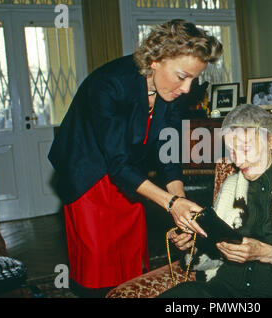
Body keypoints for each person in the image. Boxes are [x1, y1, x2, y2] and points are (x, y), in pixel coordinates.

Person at [48, 19, 222, 296]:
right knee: (98, 264)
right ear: (155, 60)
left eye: (194, 78)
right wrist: (171, 204)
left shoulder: (173, 92)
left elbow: (169, 151)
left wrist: (180, 202)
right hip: (88, 172)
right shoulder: (110, 84)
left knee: (130, 259)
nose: (187, 89)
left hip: (130, 174)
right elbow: (116, 163)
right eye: (182, 76)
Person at [160, 104, 272, 298]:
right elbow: (216, 250)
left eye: (245, 149)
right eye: (231, 152)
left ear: (270, 141)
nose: (237, 161)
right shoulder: (230, 185)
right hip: (222, 289)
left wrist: (266, 252)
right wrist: (193, 245)